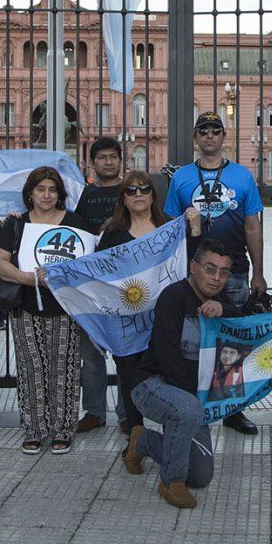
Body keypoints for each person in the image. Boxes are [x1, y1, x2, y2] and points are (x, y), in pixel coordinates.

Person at [164, 110, 265, 436]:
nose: (209, 136)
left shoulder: (242, 176)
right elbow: (169, 229)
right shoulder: (181, 178)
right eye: (203, 131)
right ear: (196, 139)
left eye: (215, 131)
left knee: (232, 343)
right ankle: (189, 403)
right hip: (193, 274)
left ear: (224, 137)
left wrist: (259, 273)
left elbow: (253, 226)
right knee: (190, 340)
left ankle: (234, 410)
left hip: (234, 270)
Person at [125, 239, 239, 508]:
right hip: (153, 385)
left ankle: (144, 440)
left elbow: (247, 319)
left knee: (200, 475)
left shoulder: (220, 298)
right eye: (210, 269)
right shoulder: (174, 296)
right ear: (193, 266)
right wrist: (193, 403)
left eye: (224, 272)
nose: (216, 278)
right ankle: (171, 482)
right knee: (187, 411)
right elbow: (167, 357)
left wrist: (225, 309)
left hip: (190, 396)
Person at [97, 170, 202, 458]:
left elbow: (189, 262)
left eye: (145, 189)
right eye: (131, 191)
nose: (139, 194)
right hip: (128, 321)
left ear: (154, 195)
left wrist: (194, 229)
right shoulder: (112, 233)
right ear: (123, 198)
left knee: (170, 371)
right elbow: (100, 273)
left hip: (164, 321)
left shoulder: (169, 227)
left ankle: (175, 432)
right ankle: (135, 435)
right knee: (130, 377)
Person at [0, 166, 91, 454]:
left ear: (60, 194)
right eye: (40, 189)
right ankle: (34, 429)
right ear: (30, 194)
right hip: (25, 306)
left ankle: (63, 429)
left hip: (64, 306)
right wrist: (31, 279)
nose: (46, 195)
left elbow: (88, 263)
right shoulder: (16, 224)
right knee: (31, 367)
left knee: (64, 368)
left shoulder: (76, 222)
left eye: (52, 189)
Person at [74, 136, 126, 434]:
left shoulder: (130, 191)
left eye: (112, 157)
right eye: (102, 158)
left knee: (125, 353)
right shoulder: (86, 195)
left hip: (123, 284)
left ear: (120, 160)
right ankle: (94, 411)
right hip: (91, 285)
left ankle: (126, 412)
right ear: (92, 163)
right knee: (90, 353)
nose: (108, 162)